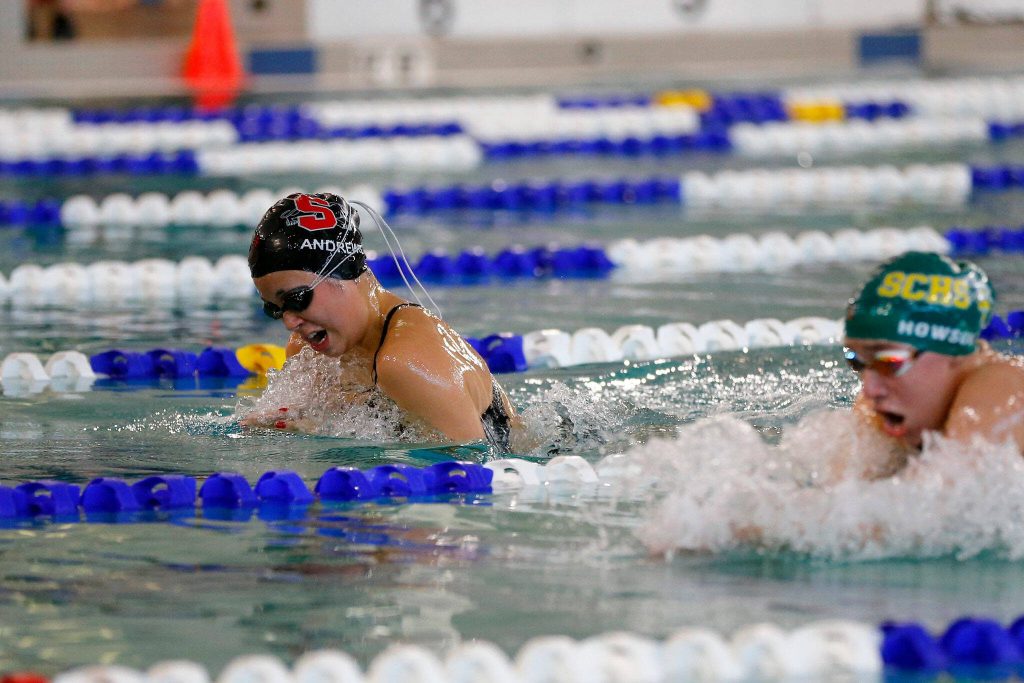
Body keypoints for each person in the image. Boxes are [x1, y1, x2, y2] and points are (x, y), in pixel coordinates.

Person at [242, 191, 518, 451]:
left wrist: (328, 436)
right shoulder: (308, 352)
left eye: (297, 299)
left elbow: (473, 472)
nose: (289, 323)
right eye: (275, 309)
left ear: (343, 271)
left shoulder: (406, 362)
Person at [843, 250, 1024, 455]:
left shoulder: (1003, 389)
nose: (869, 390)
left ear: (955, 351)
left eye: (890, 361)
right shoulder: (882, 407)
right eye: (856, 361)